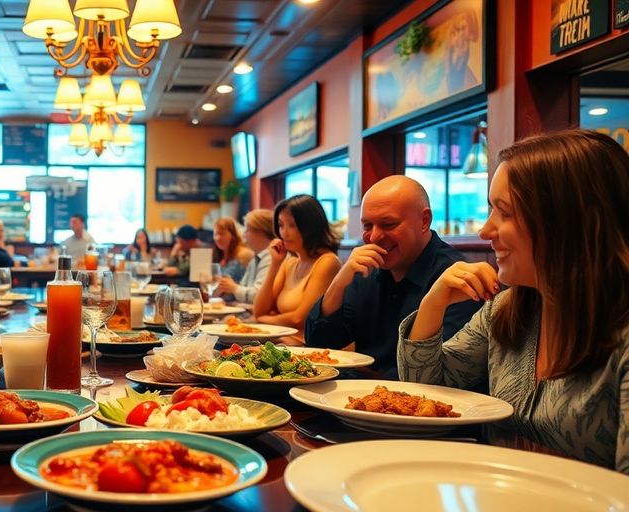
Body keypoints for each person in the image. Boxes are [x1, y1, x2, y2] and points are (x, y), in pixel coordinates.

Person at [398, 130, 629, 473]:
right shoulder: (506, 309)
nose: (485, 230)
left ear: (566, 221)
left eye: (503, 212)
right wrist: (435, 299)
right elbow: (426, 392)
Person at [305, 175, 479, 377]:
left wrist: (368, 376)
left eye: (388, 224)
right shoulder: (367, 268)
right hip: (356, 393)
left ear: (424, 221)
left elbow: (437, 372)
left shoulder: (455, 278)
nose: (375, 237)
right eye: (367, 226)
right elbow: (319, 344)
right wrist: (338, 283)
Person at [252, 196, 341, 343]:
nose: (284, 233)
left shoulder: (327, 262)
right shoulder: (290, 263)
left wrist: (264, 319)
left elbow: (299, 318)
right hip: (281, 339)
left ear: (311, 226)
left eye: (292, 225)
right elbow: (258, 310)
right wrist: (275, 263)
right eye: (281, 225)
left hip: (308, 345)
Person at [213, 209, 275, 304]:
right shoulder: (255, 259)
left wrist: (233, 288)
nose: (244, 234)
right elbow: (242, 288)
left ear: (261, 231)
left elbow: (258, 296)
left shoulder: (271, 258)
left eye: (247, 230)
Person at [211, 217, 254, 283]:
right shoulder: (219, 256)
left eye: (222, 233)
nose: (218, 238)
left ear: (233, 234)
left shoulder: (244, 255)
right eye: (215, 234)